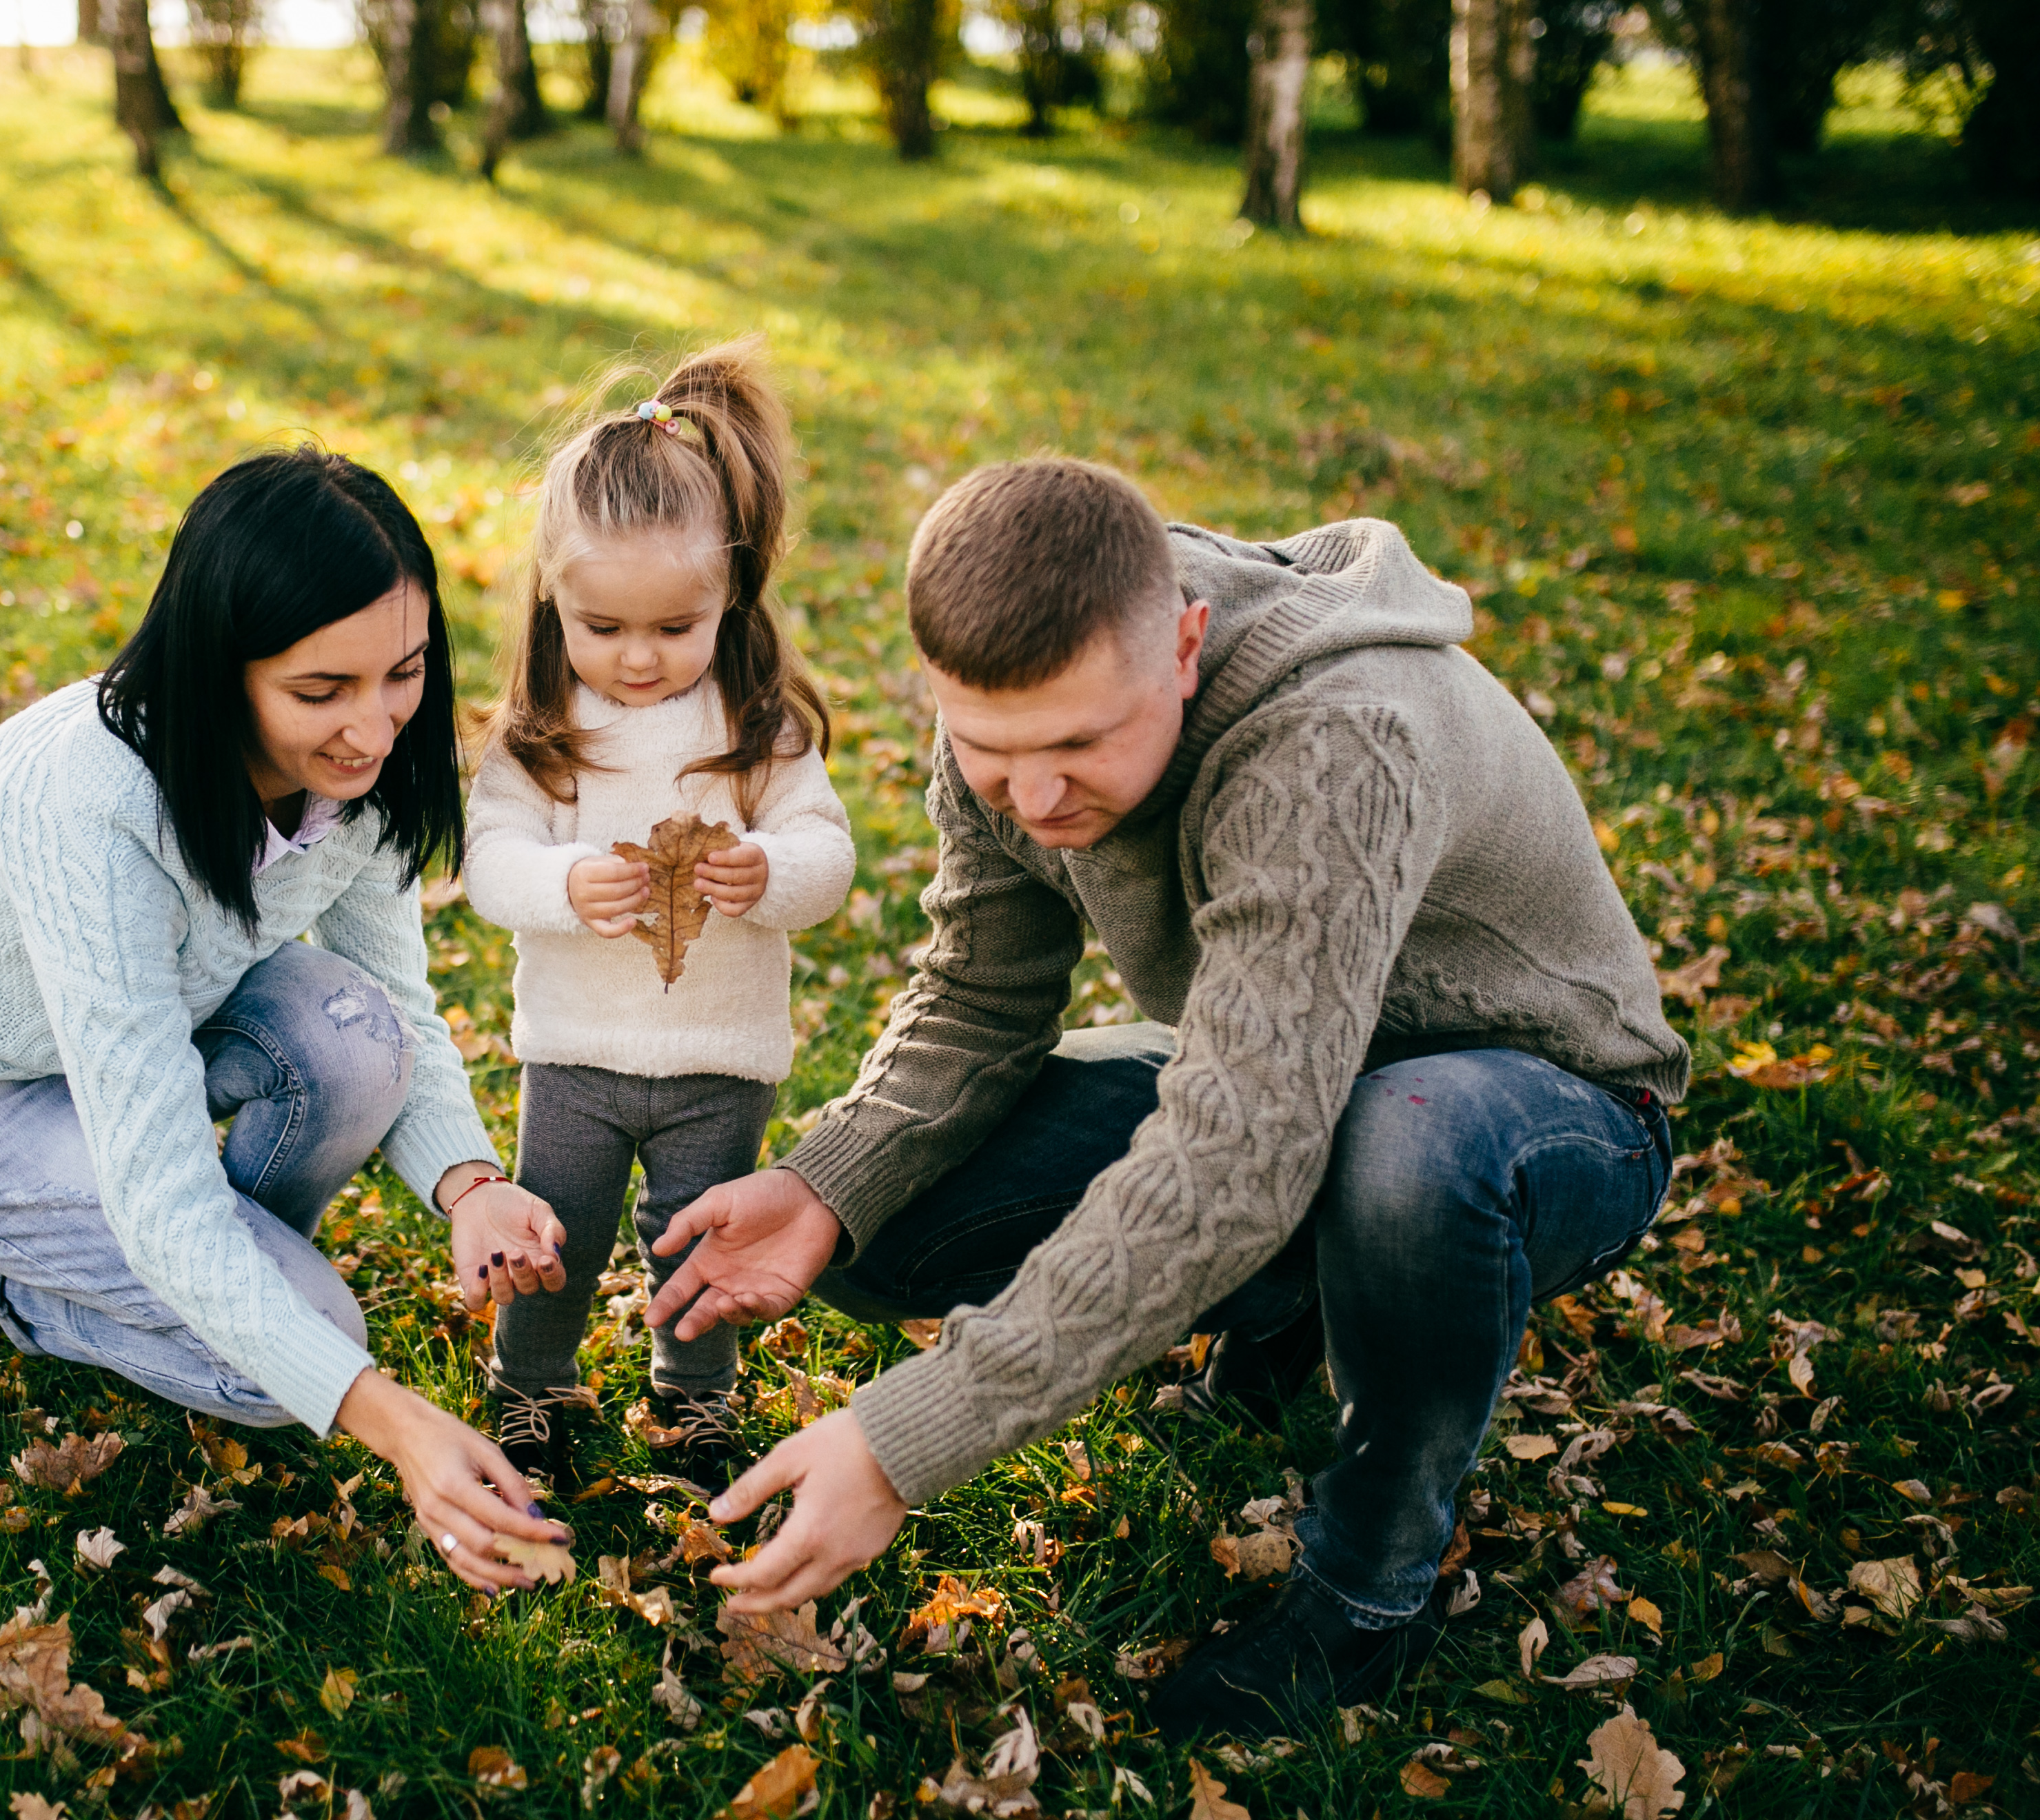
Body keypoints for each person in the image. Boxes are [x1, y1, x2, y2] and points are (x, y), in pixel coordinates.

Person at [644, 458, 1688, 1736]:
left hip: (1551, 1106)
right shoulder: (1014, 696)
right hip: (1281, 1063)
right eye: (990, 750)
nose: (1033, 796)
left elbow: (1237, 1156)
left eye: (1082, 745)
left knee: (1402, 1151)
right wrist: (827, 1183)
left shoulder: (1333, 740)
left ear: (1186, 647)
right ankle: (1298, 1297)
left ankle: (1370, 1590)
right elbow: (980, 998)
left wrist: (904, 1439)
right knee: (892, 1224)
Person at [0, 446, 571, 1592]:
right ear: (217, 669)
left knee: (352, 1035)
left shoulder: (354, 778)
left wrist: (473, 1185)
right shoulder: (100, 803)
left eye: (404, 673)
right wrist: (386, 1419)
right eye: (320, 692)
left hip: (137, 1037)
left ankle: (200, 1292)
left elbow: (404, 1012)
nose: (373, 729)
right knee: (297, 1364)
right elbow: (165, 1192)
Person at [463, 339, 855, 1488]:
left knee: (702, 1235)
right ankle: (529, 1384)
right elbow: (492, 865)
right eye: (605, 628)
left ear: (728, 596)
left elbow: (827, 856)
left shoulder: (756, 728)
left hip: (718, 1059)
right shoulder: (546, 731)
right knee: (560, 1237)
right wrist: (564, 886)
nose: (639, 658)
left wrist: (768, 872)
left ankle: (694, 1400)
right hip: (576, 1056)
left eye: (674, 629)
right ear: (554, 600)